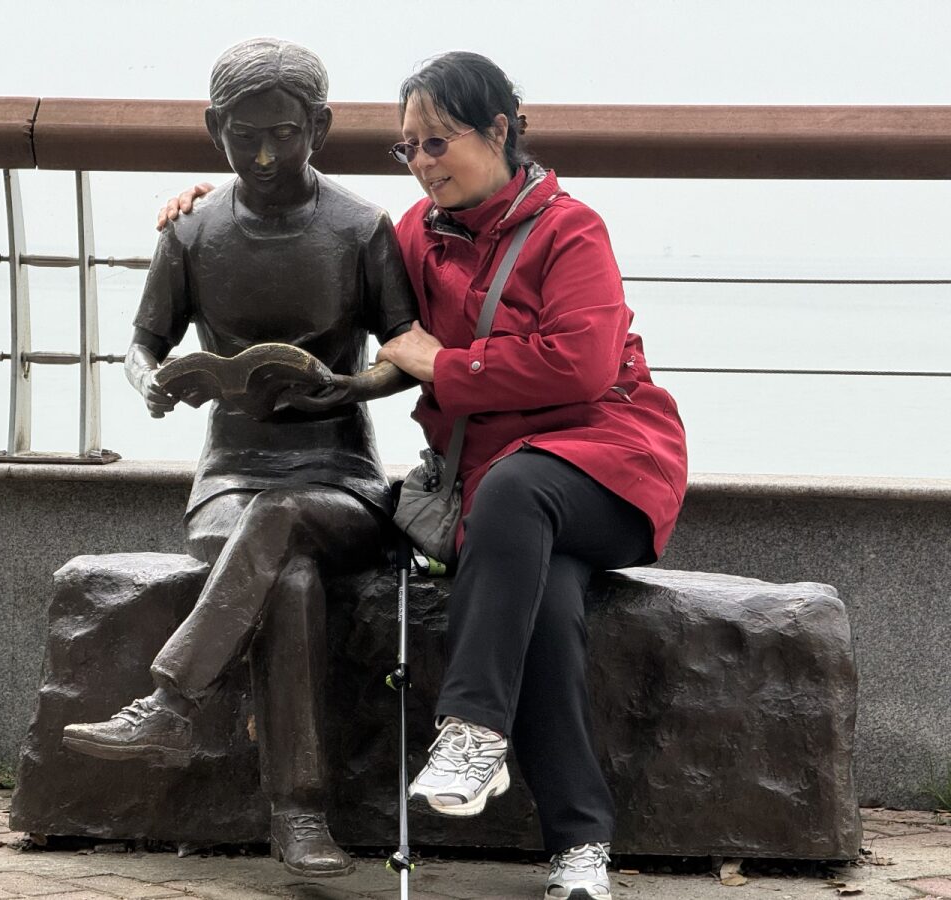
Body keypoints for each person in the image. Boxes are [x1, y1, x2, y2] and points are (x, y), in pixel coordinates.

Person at [160, 50, 687, 900]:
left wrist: (449, 367)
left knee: (516, 489)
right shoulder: (413, 236)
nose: (422, 164)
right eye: (407, 148)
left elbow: (580, 367)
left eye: (437, 143)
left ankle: (473, 729)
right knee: (546, 607)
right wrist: (196, 207)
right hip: (508, 504)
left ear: (501, 132)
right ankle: (581, 850)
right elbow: (315, 231)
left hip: (610, 470)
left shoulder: (570, 229)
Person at [60, 38, 418, 879]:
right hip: (231, 477)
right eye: (244, 135)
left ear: (319, 128)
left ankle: (173, 700)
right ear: (214, 126)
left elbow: (406, 352)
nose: (264, 155)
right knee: (285, 576)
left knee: (286, 521)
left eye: (285, 134)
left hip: (341, 482)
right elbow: (143, 342)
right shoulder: (192, 233)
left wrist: (348, 388)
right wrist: (152, 383)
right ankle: (299, 818)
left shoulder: (362, 228)